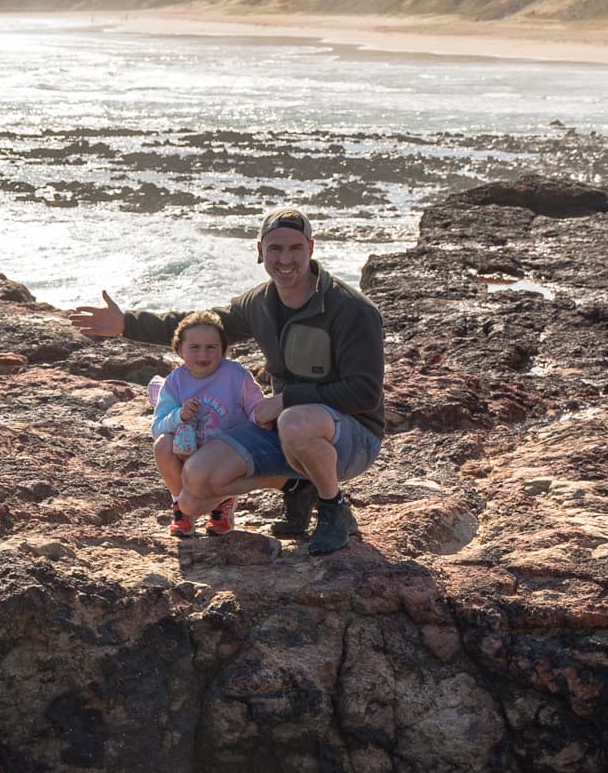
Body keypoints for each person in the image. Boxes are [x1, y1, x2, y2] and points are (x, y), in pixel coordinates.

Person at [70, 207, 384, 555]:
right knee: (196, 484)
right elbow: (203, 326)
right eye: (275, 248)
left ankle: (333, 508)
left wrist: (284, 399)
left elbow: (365, 394)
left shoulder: (351, 310)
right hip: (286, 430)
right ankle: (298, 484)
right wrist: (127, 324)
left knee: (296, 420)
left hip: (353, 437)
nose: (285, 259)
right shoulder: (259, 303)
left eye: (295, 248)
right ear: (259, 250)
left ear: (311, 248)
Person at [150, 310, 265, 537]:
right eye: (194, 347)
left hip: (225, 458)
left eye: (211, 347)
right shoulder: (175, 381)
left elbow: (257, 410)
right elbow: (157, 428)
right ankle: (181, 508)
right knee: (163, 444)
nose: (203, 354)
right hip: (189, 453)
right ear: (179, 350)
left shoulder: (236, 375)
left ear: (223, 349)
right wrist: (179, 416)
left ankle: (223, 503)